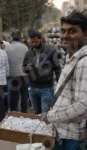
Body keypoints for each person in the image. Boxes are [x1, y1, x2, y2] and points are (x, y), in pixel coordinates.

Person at [44, 12, 87, 150]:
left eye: (72, 31)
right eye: (63, 31)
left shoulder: (84, 62)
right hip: (63, 133)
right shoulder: (71, 57)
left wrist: (51, 116)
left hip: (72, 138)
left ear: (85, 34)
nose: (65, 35)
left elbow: (83, 107)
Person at [23, 31, 61, 114]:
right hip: (33, 87)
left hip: (46, 88)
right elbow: (24, 67)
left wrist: (60, 83)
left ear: (41, 39)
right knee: (36, 112)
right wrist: (27, 68)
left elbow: (57, 68)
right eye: (31, 41)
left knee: (45, 114)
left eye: (35, 41)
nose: (33, 44)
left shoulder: (50, 51)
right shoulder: (29, 52)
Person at [6, 31, 29, 113]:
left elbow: (5, 59)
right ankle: (24, 110)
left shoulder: (7, 48)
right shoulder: (25, 47)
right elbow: (28, 58)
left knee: (14, 94)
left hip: (12, 74)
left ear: (12, 38)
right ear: (20, 38)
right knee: (24, 93)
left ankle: (13, 110)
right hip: (24, 74)